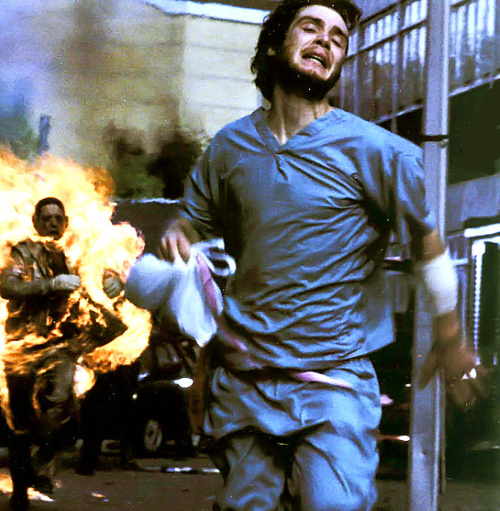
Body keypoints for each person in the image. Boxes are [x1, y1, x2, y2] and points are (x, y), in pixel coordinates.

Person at [159, 0, 481, 509]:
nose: (325, 41)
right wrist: (178, 230)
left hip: (334, 380)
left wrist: (450, 334)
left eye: (337, 38)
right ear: (274, 45)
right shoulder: (229, 148)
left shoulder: (380, 152)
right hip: (244, 378)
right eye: (311, 27)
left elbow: (428, 245)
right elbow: (193, 218)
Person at [0, 197, 124, 511]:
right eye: (47, 218)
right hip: (22, 347)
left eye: (58, 218)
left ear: (66, 223)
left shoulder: (77, 254)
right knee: (19, 422)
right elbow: (8, 287)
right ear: (36, 223)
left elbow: (102, 278)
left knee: (60, 408)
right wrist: (50, 284)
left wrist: (114, 284)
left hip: (61, 347)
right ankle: (20, 488)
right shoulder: (23, 253)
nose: (53, 223)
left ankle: (41, 466)